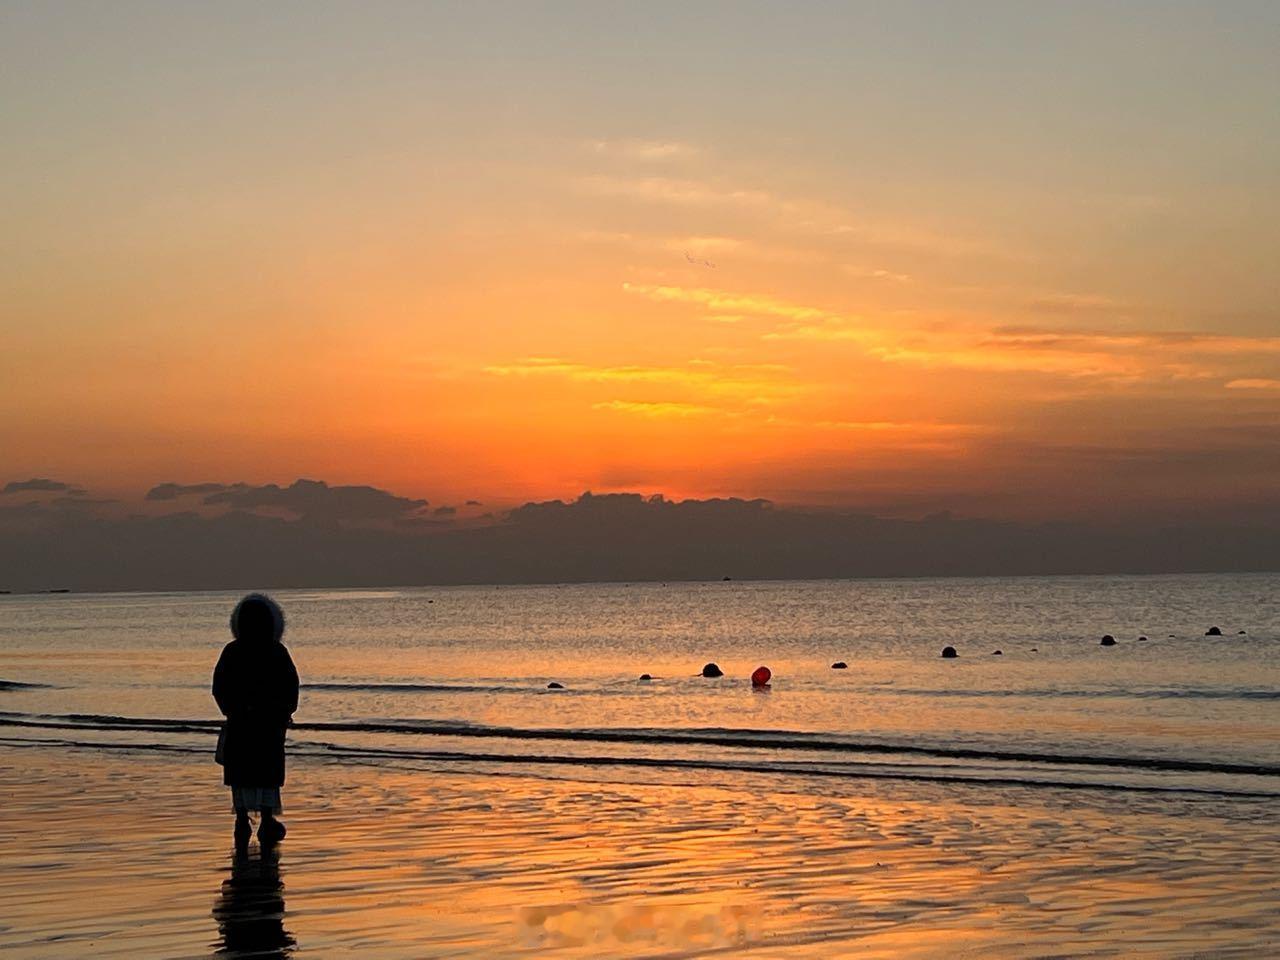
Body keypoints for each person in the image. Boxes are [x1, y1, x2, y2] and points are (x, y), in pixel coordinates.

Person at [213, 593, 300, 851]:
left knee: (241, 773)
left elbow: (219, 687)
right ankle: (266, 818)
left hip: (242, 722)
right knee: (267, 773)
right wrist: (284, 712)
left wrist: (231, 710)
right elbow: (291, 686)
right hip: (269, 725)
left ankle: (242, 819)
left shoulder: (232, 651)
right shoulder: (276, 651)